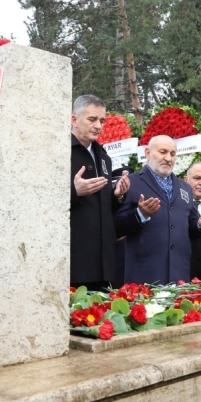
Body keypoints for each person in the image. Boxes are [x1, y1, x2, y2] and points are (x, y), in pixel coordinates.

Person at [115, 136, 201, 284]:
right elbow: (117, 228)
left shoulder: (184, 188)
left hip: (179, 274)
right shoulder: (131, 183)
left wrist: (200, 224)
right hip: (144, 276)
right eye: (163, 152)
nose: (168, 158)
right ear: (147, 153)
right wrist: (140, 215)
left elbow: (190, 228)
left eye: (172, 153)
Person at [70, 95, 130, 290]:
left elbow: (104, 206)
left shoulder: (104, 157)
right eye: (92, 119)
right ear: (74, 120)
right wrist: (74, 191)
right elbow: (42, 198)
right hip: (74, 262)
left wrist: (117, 195)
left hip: (103, 262)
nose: (98, 126)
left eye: (102, 120)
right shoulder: (59, 152)